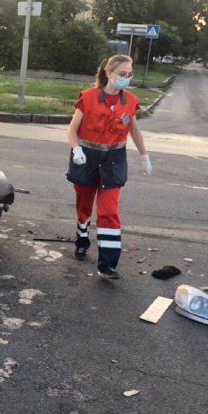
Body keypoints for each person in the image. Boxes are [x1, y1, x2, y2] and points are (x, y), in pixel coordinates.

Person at [66, 54, 153, 280]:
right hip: (86, 158)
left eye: (129, 75)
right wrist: (76, 149)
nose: (126, 78)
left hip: (113, 161)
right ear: (108, 73)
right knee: (84, 206)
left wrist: (145, 156)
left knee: (109, 211)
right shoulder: (89, 97)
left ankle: (108, 264)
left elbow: (134, 130)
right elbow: (72, 130)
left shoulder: (130, 101)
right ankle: (82, 239)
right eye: (122, 74)